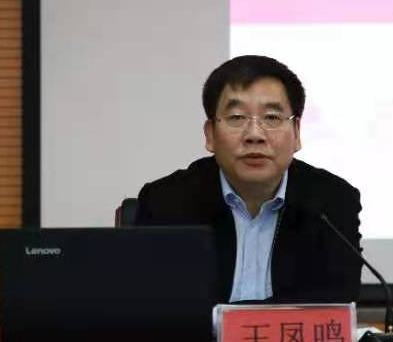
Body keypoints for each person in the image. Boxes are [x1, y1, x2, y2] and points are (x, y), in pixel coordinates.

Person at [134, 55, 362, 303]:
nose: (255, 135)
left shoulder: (332, 201)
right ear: (210, 135)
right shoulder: (167, 201)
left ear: (297, 133)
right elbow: (155, 304)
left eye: (272, 118)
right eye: (236, 117)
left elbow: (335, 301)